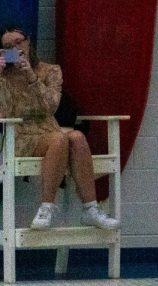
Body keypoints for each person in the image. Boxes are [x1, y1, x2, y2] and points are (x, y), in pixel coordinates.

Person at [0, 24, 117, 230]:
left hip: (47, 128)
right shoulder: (4, 76)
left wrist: (32, 78)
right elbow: (5, 112)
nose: (15, 48)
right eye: (8, 46)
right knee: (60, 138)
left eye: (18, 42)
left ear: (28, 41)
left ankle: (90, 208)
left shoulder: (50, 71)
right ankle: (47, 206)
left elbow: (51, 106)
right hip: (17, 134)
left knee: (77, 137)